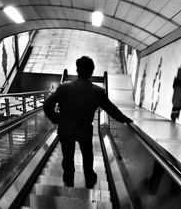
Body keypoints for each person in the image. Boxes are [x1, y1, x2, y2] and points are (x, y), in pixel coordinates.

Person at [43, 56, 132, 188]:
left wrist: (57, 119)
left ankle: (68, 178)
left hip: (66, 130)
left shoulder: (64, 88)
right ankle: (89, 178)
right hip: (84, 130)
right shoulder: (98, 92)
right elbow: (111, 109)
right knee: (87, 156)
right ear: (92, 71)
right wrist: (124, 119)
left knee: (67, 156)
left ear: (77, 70)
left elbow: (47, 105)